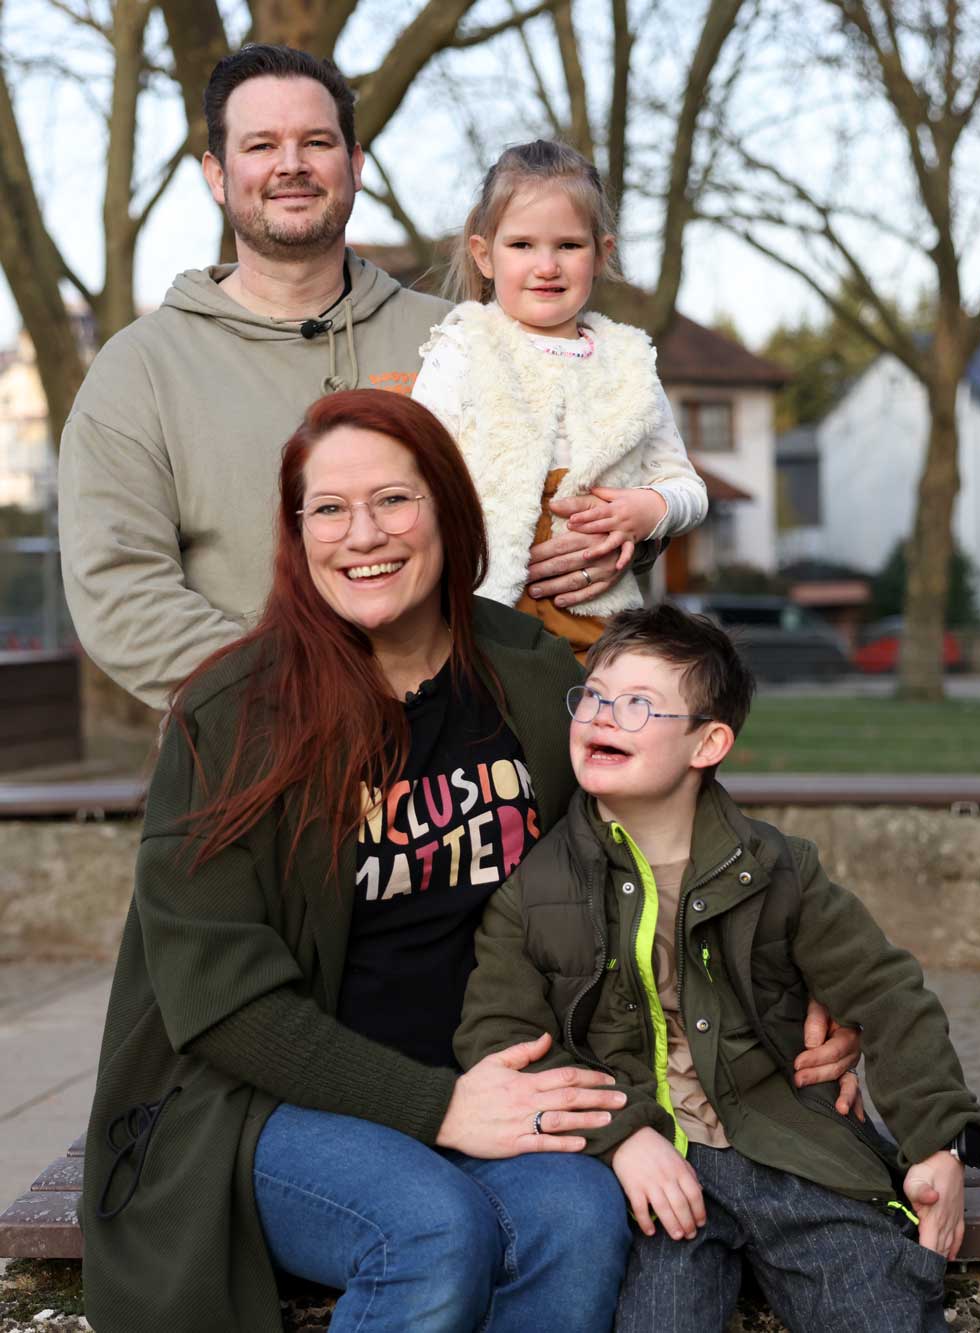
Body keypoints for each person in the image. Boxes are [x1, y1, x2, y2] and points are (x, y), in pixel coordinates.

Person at [81, 389, 633, 1333]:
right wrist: (437, 1107)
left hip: (484, 1078)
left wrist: (802, 982)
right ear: (296, 535)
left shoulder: (533, 673)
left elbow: (667, 833)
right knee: (427, 1225)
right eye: (327, 508)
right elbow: (220, 999)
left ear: (448, 511)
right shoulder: (234, 713)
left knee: (579, 1214)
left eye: (393, 499)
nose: (360, 533)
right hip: (258, 1103)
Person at [455, 603, 980, 1333]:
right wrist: (621, 1137)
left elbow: (887, 993)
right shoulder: (533, 889)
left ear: (708, 742)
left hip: (789, 1147)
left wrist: (939, 1141)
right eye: (597, 696)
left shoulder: (776, 870)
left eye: (640, 704)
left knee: (878, 1302)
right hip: (652, 1173)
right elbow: (503, 1036)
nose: (605, 716)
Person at [57, 49, 606, 710]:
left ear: (355, 164)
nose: (290, 164)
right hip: (260, 771)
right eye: (261, 145)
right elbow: (122, 592)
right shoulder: (138, 371)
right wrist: (303, 698)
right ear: (216, 174)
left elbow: (586, 481)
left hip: (477, 754)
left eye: (316, 142)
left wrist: (621, 538)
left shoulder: (473, 338)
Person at [413, 139, 708, 657]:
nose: (546, 266)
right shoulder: (463, 346)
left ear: (601, 254)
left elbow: (687, 487)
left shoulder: (629, 363)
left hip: (597, 624)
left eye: (568, 246)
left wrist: (650, 507)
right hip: (482, 617)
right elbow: (417, 470)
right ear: (484, 254)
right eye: (522, 245)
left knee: (586, 726)